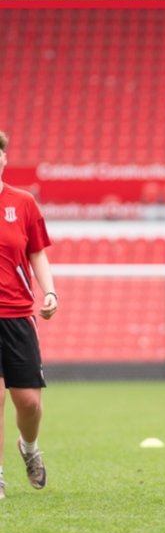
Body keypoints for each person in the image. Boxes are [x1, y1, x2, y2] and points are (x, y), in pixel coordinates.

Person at [0, 131, 58, 500]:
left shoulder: (22, 203)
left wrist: (49, 290)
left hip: (18, 315)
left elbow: (36, 252)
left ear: (4, 158)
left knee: (29, 403)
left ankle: (30, 448)